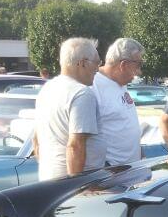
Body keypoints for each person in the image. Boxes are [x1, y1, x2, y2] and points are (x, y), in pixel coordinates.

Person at [33, 37, 105, 181]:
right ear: (83, 63)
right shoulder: (81, 93)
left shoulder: (47, 89)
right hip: (76, 185)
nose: (98, 69)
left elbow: (36, 139)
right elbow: (75, 145)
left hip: (49, 179)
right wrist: (77, 188)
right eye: (97, 63)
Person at [92, 38, 144, 166]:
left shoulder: (120, 82)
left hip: (130, 170)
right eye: (138, 65)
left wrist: (140, 152)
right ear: (123, 65)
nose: (139, 72)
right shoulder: (93, 86)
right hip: (111, 175)